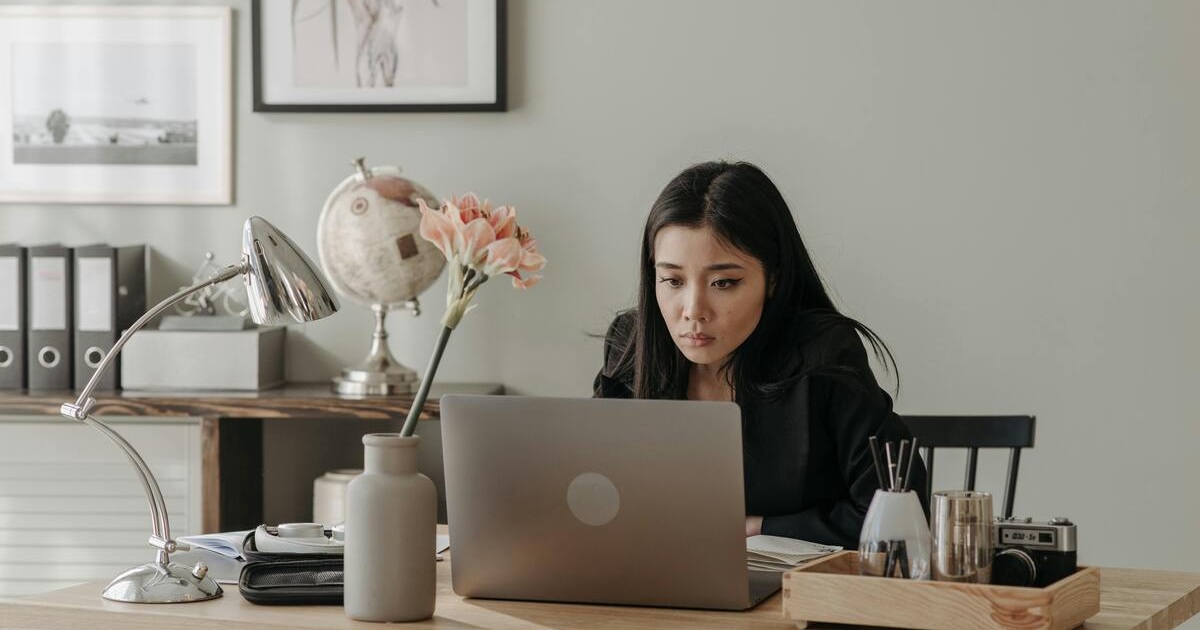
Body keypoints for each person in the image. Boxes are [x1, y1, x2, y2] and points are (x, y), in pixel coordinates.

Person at [594, 160, 927, 548]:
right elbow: (593, 495)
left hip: (797, 596)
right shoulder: (631, 343)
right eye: (672, 280)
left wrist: (760, 526)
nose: (693, 309)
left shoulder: (822, 352)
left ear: (774, 279)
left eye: (723, 282)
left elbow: (902, 509)